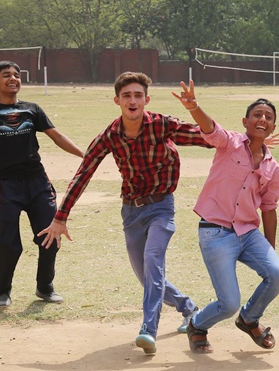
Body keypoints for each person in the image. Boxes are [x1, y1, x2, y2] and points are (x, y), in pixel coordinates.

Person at [37, 72, 210, 355]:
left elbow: (207, 137)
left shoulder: (161, 125)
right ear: (117, 100)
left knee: (154, 263)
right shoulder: (110, 135)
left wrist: (247, 140)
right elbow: (83, 174)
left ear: (146, 100)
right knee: (147, 276)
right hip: (130, 211)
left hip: (161, 208)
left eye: (138, 95)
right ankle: (189, 309)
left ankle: (148, 330)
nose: (132, 101)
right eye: (127, 96)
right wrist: (61, 216)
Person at [172, 82, 279, 353]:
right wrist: (193, 106)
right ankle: (198, 325)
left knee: (278, 274)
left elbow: (269, 209)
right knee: (228, 303)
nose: (263, 119)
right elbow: (210, 128)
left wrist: (270, 249)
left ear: (272, 127)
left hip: (248, 234)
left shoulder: (273, 168)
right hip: (216, 232)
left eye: (268, 117)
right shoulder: (230, 143)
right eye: (257, 115)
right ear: (245, 121)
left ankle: (249, 319)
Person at [0, 61, 83, 308]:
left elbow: (57, 136)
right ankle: (3, 289)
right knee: (8, 241)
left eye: (16, 75)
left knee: (50, 236)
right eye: (6, 75)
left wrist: (85, 156)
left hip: (38, 183)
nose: (13, 78)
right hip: (6, 186)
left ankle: (45, 287)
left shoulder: (32, 110)